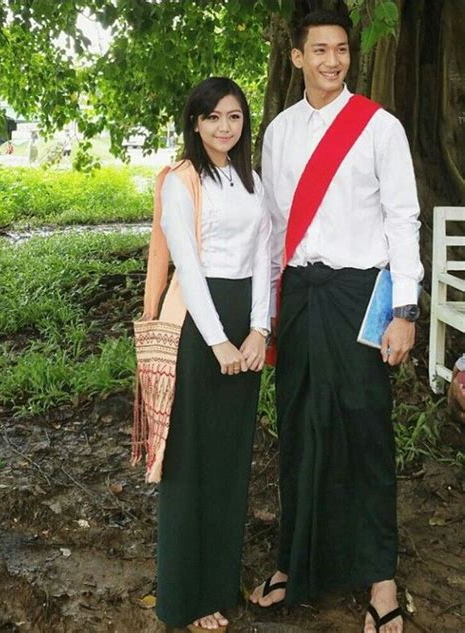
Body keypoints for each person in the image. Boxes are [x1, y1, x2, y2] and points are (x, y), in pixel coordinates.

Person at [249, 10, 423, 633]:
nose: (332, 61)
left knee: (365, 430)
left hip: (360, 296)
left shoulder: (381, 127)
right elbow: (271, 230)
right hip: (298, 293)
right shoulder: (278, 133)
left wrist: (405, 310)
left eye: (341, 50)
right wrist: (263, 314)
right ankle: (295, 561)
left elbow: (404, 220)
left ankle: (381, 578)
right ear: (295, 57)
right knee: (298, 426)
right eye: (319, 50)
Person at [139, 77, 271, 630]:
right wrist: (218, 339)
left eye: (235, 116)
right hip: (198, 325)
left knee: (230, 459)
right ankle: (184, 598)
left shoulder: (252, 180)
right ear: (195, 122)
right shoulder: (180, 181)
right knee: (189, 462)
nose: (224, 126)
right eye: (213, 116)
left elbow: (266, 252)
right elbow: (188, 267)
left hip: (245, 320)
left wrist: (260, 329)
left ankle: (217, 586)